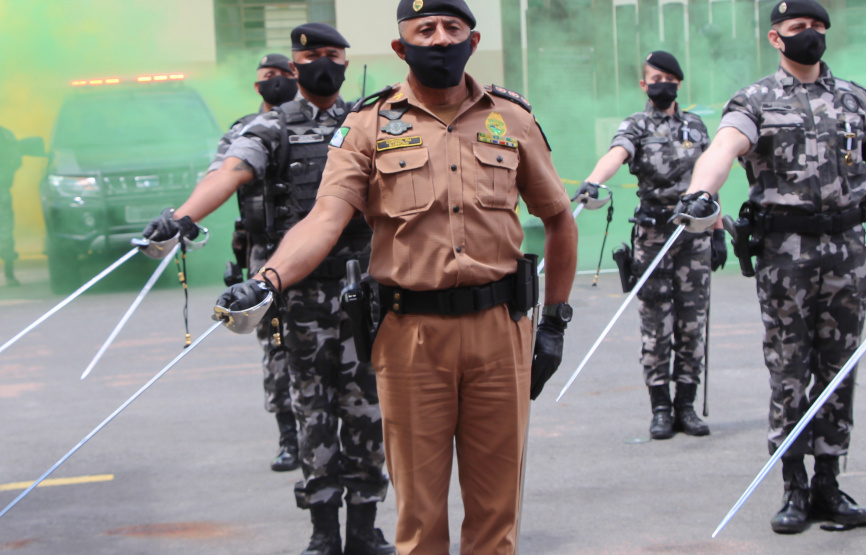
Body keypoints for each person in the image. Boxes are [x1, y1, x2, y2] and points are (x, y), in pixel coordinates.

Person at [214, 1, 578, 552]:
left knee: (496, 517)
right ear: (400, 47)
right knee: (420, 519)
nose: (440, 39)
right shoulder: (367, 124)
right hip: (411, 340)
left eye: (453, 28)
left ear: (472, 43)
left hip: (500, 334)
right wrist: (268, 280)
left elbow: (558, 218)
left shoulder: (512, 118)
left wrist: (554, 321)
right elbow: (325, 218)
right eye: (425, 29)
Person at [142, 23, 394, 555]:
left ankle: (366, 529)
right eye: (312, 55)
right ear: (296, 66)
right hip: (298, 298)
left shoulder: (370, 122)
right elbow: (231, 171)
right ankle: (324, 532)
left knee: (367, 412)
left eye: (333, 54)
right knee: (313, 412)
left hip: (363, 293)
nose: (322, 63)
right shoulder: (269, 128)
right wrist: (181, 218)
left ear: (346, 63)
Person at [673, 0, 866, 534]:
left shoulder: (856, 100)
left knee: (840, 369)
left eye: (819, 27)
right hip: (786, 257)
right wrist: (700, 192)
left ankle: (829, 483)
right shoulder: (755, 99)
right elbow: (723, 148)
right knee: (789, 369)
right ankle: (794, 487)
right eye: (799, 28)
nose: (812, 36)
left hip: (847, 251)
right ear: (776, 38)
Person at [582, 51, 721, 440]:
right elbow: (617, 154)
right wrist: (595, 180)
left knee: (693, 325)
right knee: (656, 326)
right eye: (655, 78)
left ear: (679, 83)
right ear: (644, 85)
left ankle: (687, 407)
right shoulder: (637, 125)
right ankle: (660, 408)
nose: (664, 84)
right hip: (654, 237)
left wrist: (719, 230)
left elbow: (711, 182)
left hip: (694, 236)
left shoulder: (696, 125)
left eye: (670, 78)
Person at [210, 53, 301, 473]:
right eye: (269, 76)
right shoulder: (243, 132)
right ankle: (289, 437)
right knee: (277, 345)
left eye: (285, 74)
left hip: (318, 251)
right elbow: (220, 176)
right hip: (265, 251)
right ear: (257, 85)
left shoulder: (312, 125)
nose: (277, 81)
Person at [0, 125, 21, 287]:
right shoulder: (5, 134)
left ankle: (9, 274)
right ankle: (9, 275)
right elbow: (16, 159)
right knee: (5, 232)